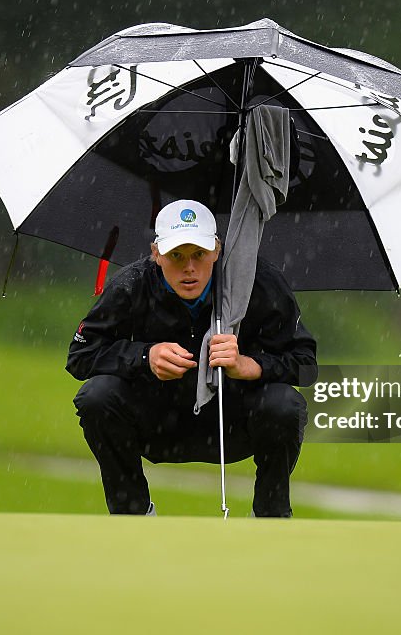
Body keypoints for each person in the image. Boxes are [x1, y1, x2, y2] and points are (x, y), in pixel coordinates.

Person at [67, 199, 317, 517]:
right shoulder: (131, 284)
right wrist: (145, 356)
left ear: (216, 249)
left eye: (199, 254)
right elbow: (80, 356)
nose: (189, 268)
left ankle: (269, 517)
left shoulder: (257, 280)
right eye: (176, 255)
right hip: (156, 425)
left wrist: (250, 366)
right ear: (156, 254)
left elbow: (306, 364)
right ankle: (131, 516)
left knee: (286, 405)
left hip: (233, 426)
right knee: (96, 396)